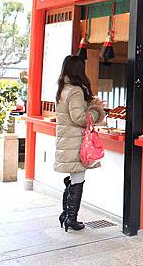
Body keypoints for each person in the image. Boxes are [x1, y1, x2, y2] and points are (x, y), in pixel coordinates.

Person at [54, 55, 105, 232]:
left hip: (67, 140)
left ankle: (66, 214)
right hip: (75, 142)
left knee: (74, 179)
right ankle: (71, 218)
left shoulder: (63, 89)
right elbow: (79, 118)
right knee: (78, 180)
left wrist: (90, 103)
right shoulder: (75, 90)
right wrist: (97, 112)